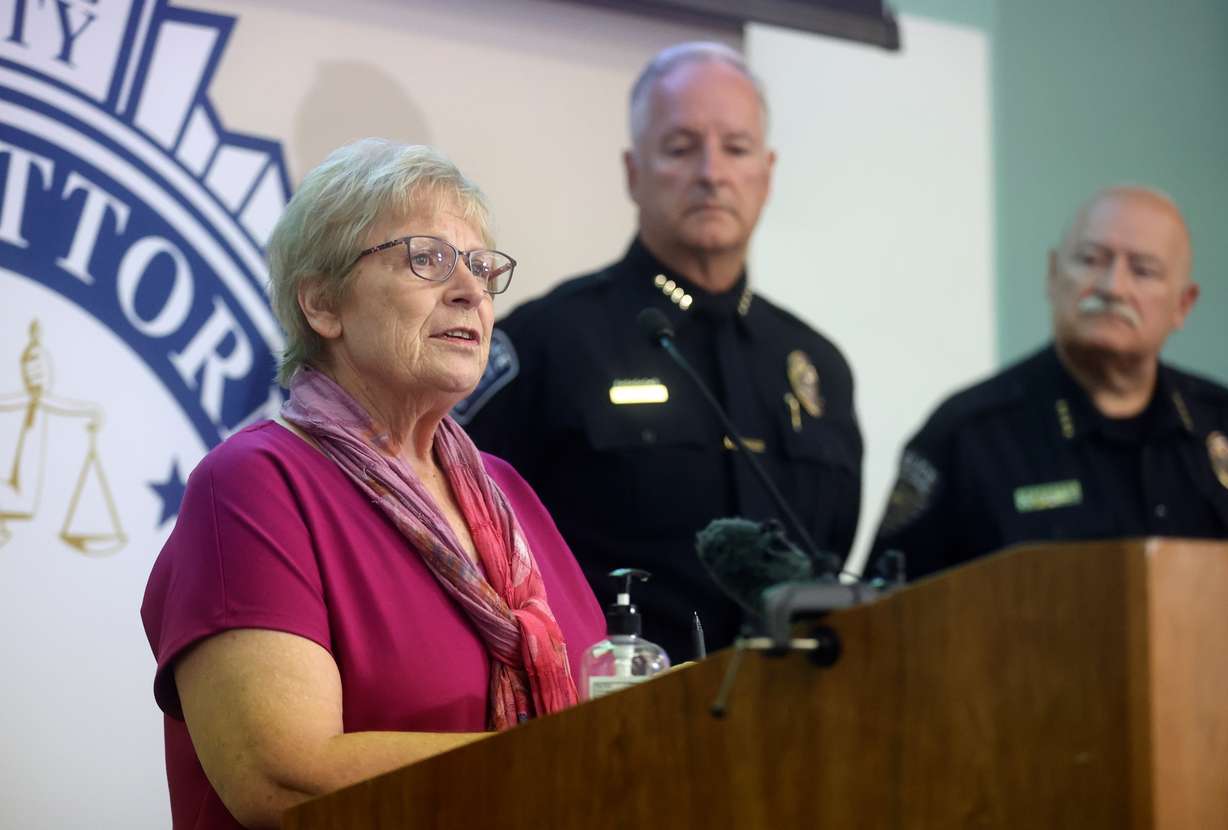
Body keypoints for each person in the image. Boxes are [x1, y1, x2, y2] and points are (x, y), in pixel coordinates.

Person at [140, 139, 604, 830]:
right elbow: (283, 777)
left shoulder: (510, 496)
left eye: (480, 267)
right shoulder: (256, 486)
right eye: (427, 259)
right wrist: (550, 762)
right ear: (323, 305)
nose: (470, 290)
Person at [457, 43, 862, 660]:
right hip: (610, 724)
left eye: (736, 147)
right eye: (680, 147)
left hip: (797, 725)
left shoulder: (818, 366)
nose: (711, 172)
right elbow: (470, 547)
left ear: (768, 171)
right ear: (633, 171)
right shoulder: (549, 343)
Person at [866, 186, 1228, 581]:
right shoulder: (967, 435)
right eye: (1091, 260)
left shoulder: (1217, 421)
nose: (1112, 287)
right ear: (1053, 275)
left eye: (1143, 270)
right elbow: (889, 614)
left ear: (1183, 305)